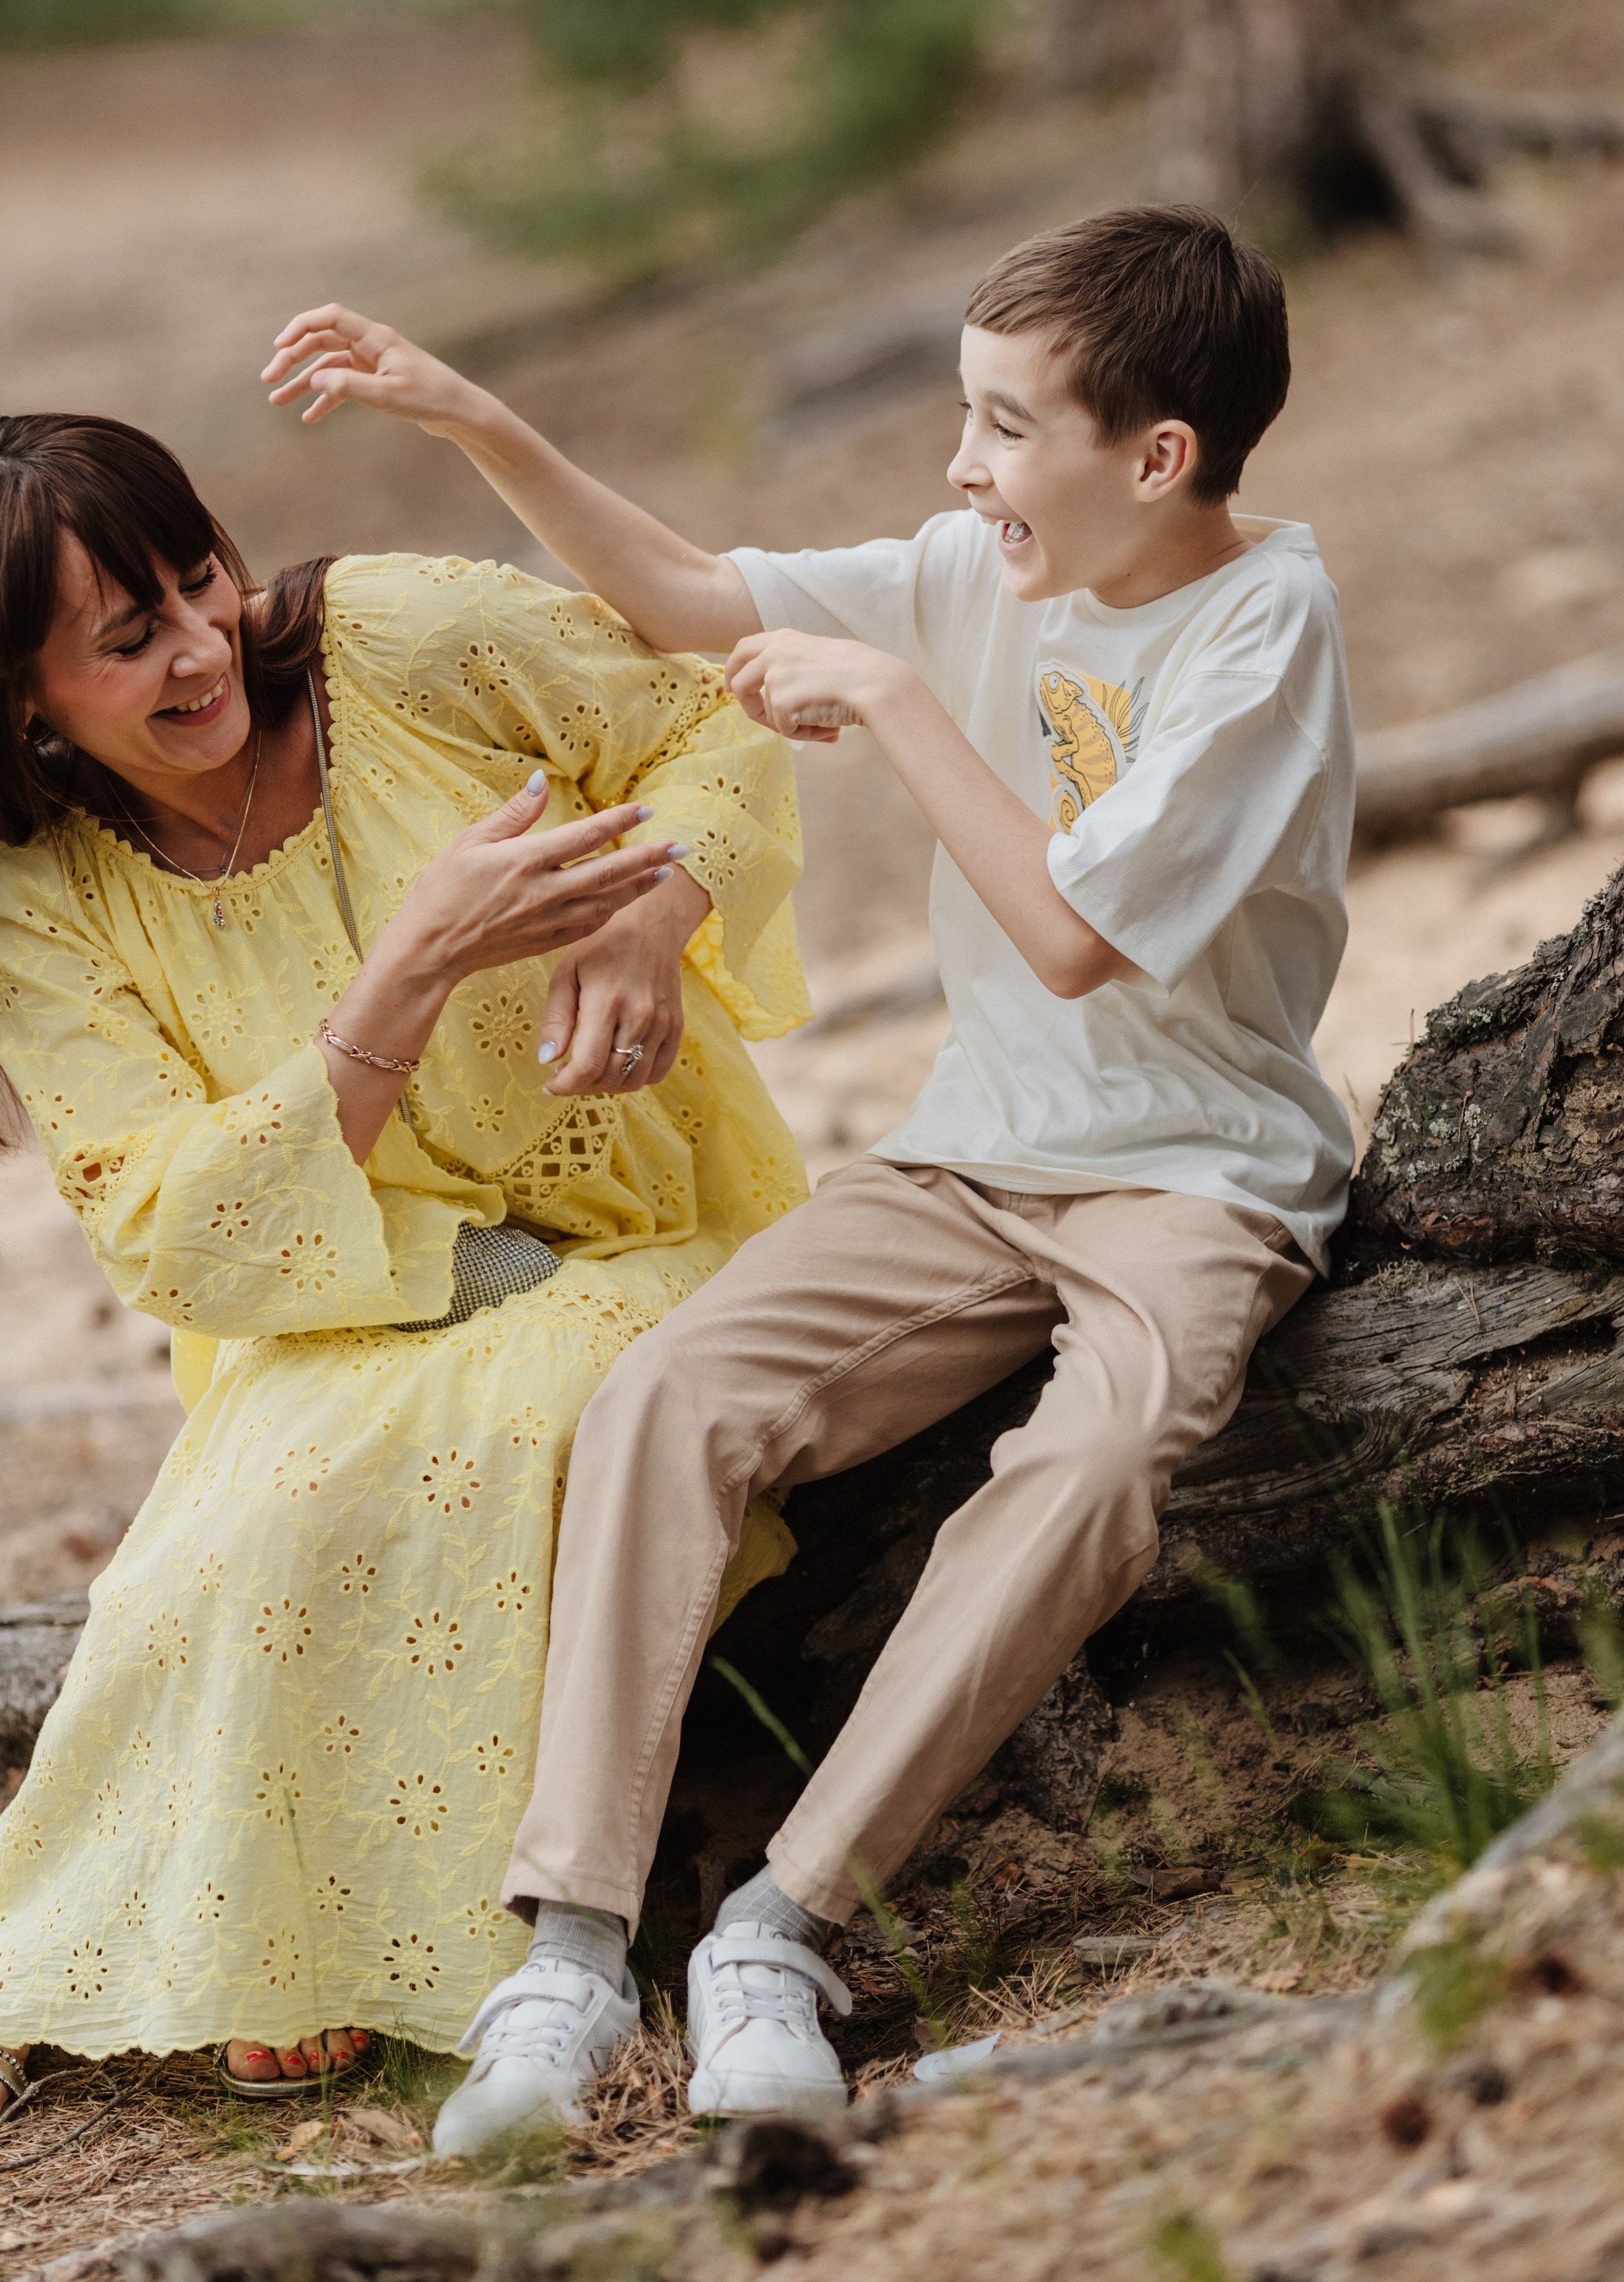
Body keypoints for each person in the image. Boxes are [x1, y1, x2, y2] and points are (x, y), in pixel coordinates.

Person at [252, 201, 1353, 2151]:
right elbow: (683, 592)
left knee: (1095, 1468)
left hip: (1201, 1179)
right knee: (672, 1391)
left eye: (1006, 428)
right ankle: (573, 1949)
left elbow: (1081, 936)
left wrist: (899, 706)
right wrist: (470, 413)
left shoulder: (1264, 622)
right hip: (969, 1165)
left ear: (1155, 458)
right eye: (965, 417)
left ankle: (784, 1926)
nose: (962, 467)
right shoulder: (967, 568)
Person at [0, 409, 810, 2113]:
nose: (205, 645)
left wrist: (660, 906)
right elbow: (175, 1235)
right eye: (129, 639)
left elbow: (707, 727)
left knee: (515, 1442)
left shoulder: (400, 642)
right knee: (213, 1560)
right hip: (341, 1319)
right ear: (24, 701)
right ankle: (288, 1928)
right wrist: (406, 974)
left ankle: (415, 1932)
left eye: (201, 579)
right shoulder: (43, 899)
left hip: (651, 1234)